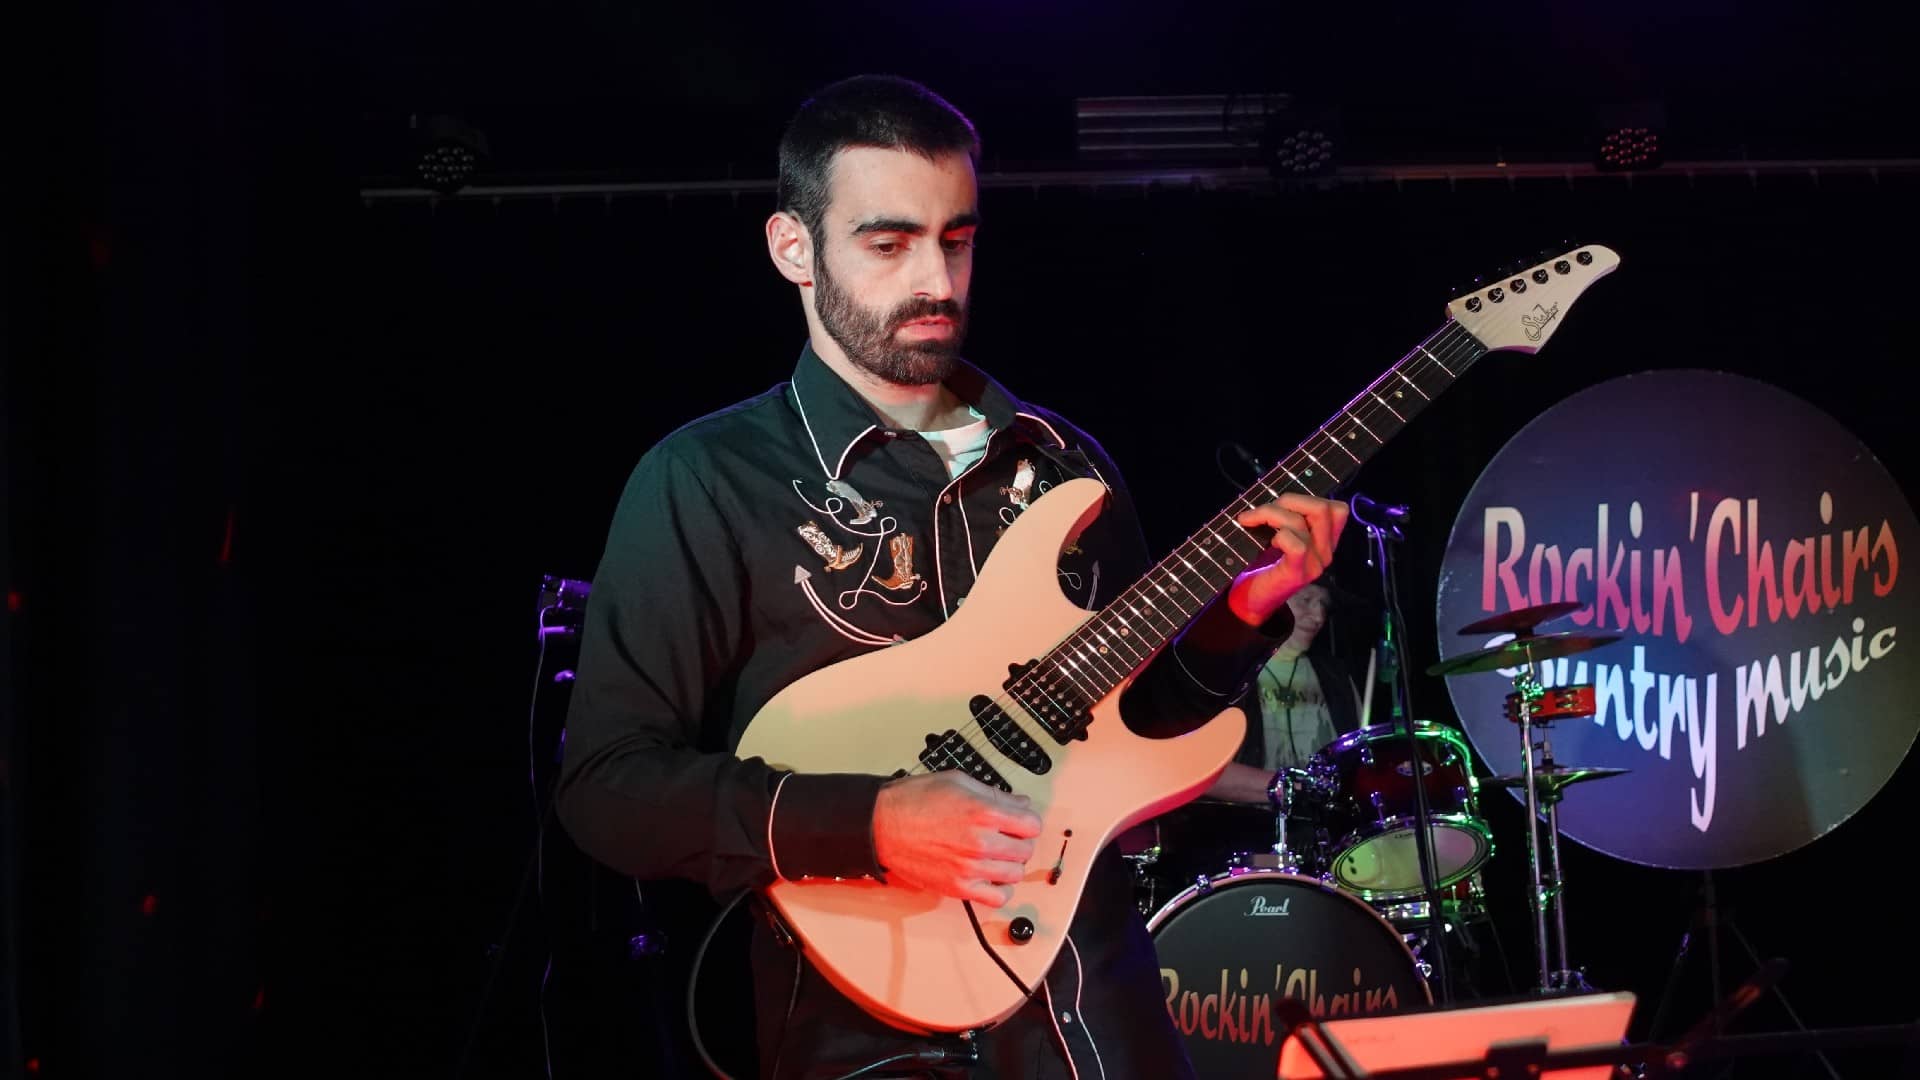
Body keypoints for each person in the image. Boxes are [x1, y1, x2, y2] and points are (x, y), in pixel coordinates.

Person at [556, 73, 1350, 1079]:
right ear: (793, 249)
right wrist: (871, 821)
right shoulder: (705, 480)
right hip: (862, 1025)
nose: (935, 280)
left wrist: (1237, 618)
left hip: (1098, 1002)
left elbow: (1135, 726)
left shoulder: (1065, 464)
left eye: (957, 239)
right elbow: (607, 791)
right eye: (889, 244)